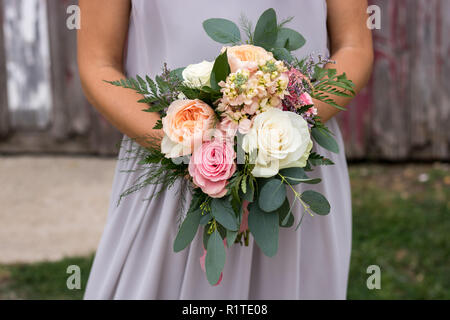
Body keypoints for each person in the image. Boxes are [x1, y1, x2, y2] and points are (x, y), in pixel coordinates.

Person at [78, 0, 373, 299]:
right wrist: (187, 148)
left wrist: (281, 129)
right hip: (170, 166)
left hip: (292, 160)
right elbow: (98, 63)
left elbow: (354, 46)